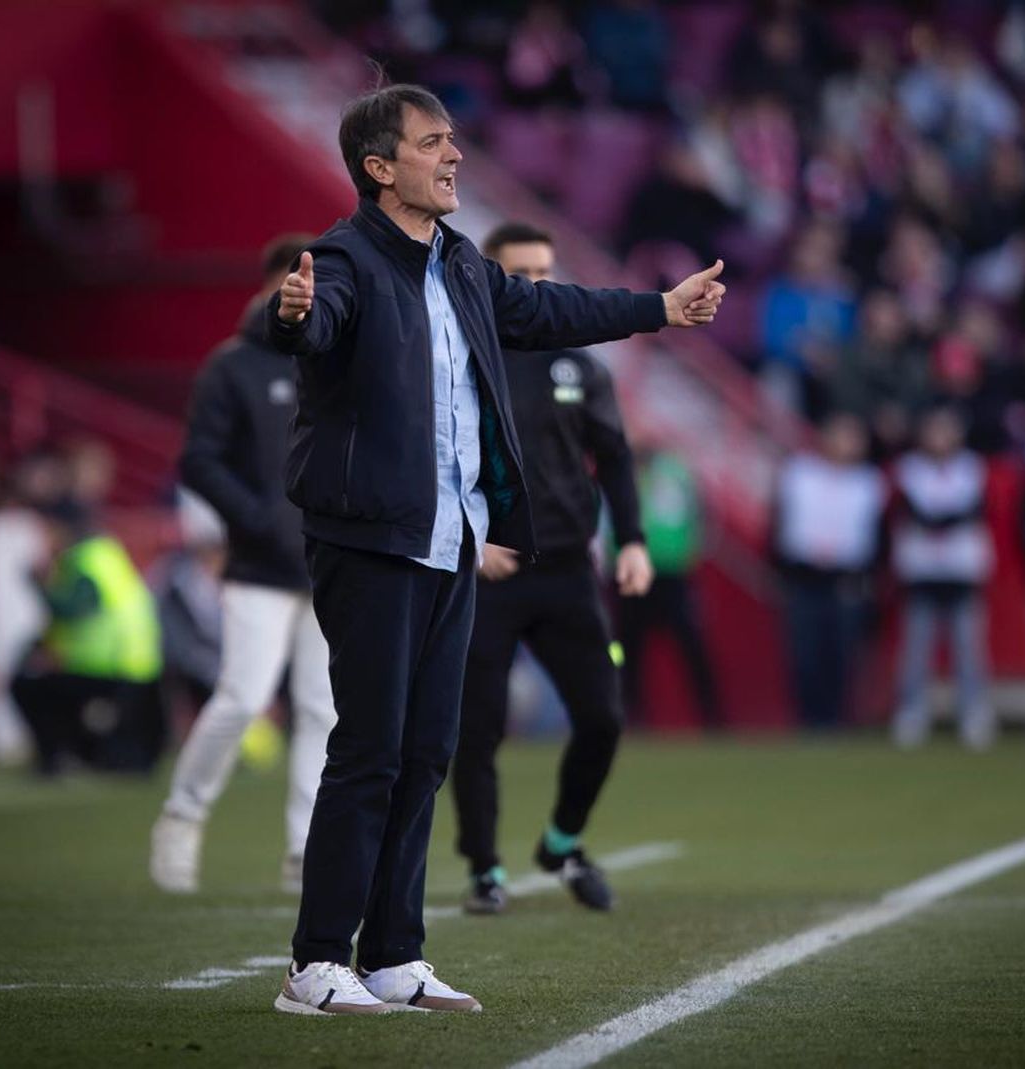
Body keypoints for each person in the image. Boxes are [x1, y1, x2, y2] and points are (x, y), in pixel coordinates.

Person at [264, 83, 724, 1016]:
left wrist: (659, 308)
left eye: (454, 140)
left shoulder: (462, 263)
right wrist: (297, 314)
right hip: (371, 541)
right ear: (379, 167)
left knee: (426, 750)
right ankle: (315, 963)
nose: (455, 156)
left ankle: (393, 956)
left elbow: (551, 313)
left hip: (451, 539)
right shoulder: (345, 259)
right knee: (371, 748)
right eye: (433, 142)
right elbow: (318, 321)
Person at [450, 222, 654, 916]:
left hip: (568, 570)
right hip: (489, 576)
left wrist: (633, 541)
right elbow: (437, 459)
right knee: (477, 730)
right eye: (522, 273)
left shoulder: (580, 367)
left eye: (544, 271)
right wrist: (475, 540)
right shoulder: (464, 357)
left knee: (602, 717)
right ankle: (484, 868)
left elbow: (616, 456)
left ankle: (562, 843)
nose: (537, 285)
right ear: (492, 279)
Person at [150, 234, 340, 896]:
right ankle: (182, 815)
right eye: (297, 279)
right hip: (259, 567)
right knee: (241, 699)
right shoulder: (232, 367)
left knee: (322, 710)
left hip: (330, 562)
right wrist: (259, 519)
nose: (307, 292)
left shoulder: (336, 357)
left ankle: (305, 850)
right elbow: (199, 459)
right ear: (268, 284)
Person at [10, 501, 164, 775]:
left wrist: (40, 586)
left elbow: (75, 610)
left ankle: (59, 756)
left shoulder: (84, 559)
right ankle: (77, 752)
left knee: (27, 685)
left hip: (109, 666)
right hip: (134, 664)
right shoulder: (102, 554)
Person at [772, 413, 888, 730]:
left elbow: (879, 535)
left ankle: (838, 720)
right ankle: (809, 721)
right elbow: (779, 522)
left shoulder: (869, 482)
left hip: (846, 580)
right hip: (804, 575)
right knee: (805, 654)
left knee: (841, 654)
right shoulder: (799, 473)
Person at [890, 406, 996, 750]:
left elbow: (971, 509)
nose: (939, 439)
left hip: (961, 569)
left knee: (967, 646)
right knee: (917, 647)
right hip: (921, 570)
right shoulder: (910, 469)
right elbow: (913, 510)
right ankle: (912, 711)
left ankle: (973, 711)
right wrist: (940, 519)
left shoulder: (970, 468)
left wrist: (939, 519)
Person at [619, 438, 723, 731]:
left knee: (691, 643)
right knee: (624, 648)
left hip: (673, 573)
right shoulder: (616, 472)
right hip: (629, 574)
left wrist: (692, 552)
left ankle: (712, 714)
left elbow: (700, 516)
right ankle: (629, 713)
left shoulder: (676, 472)